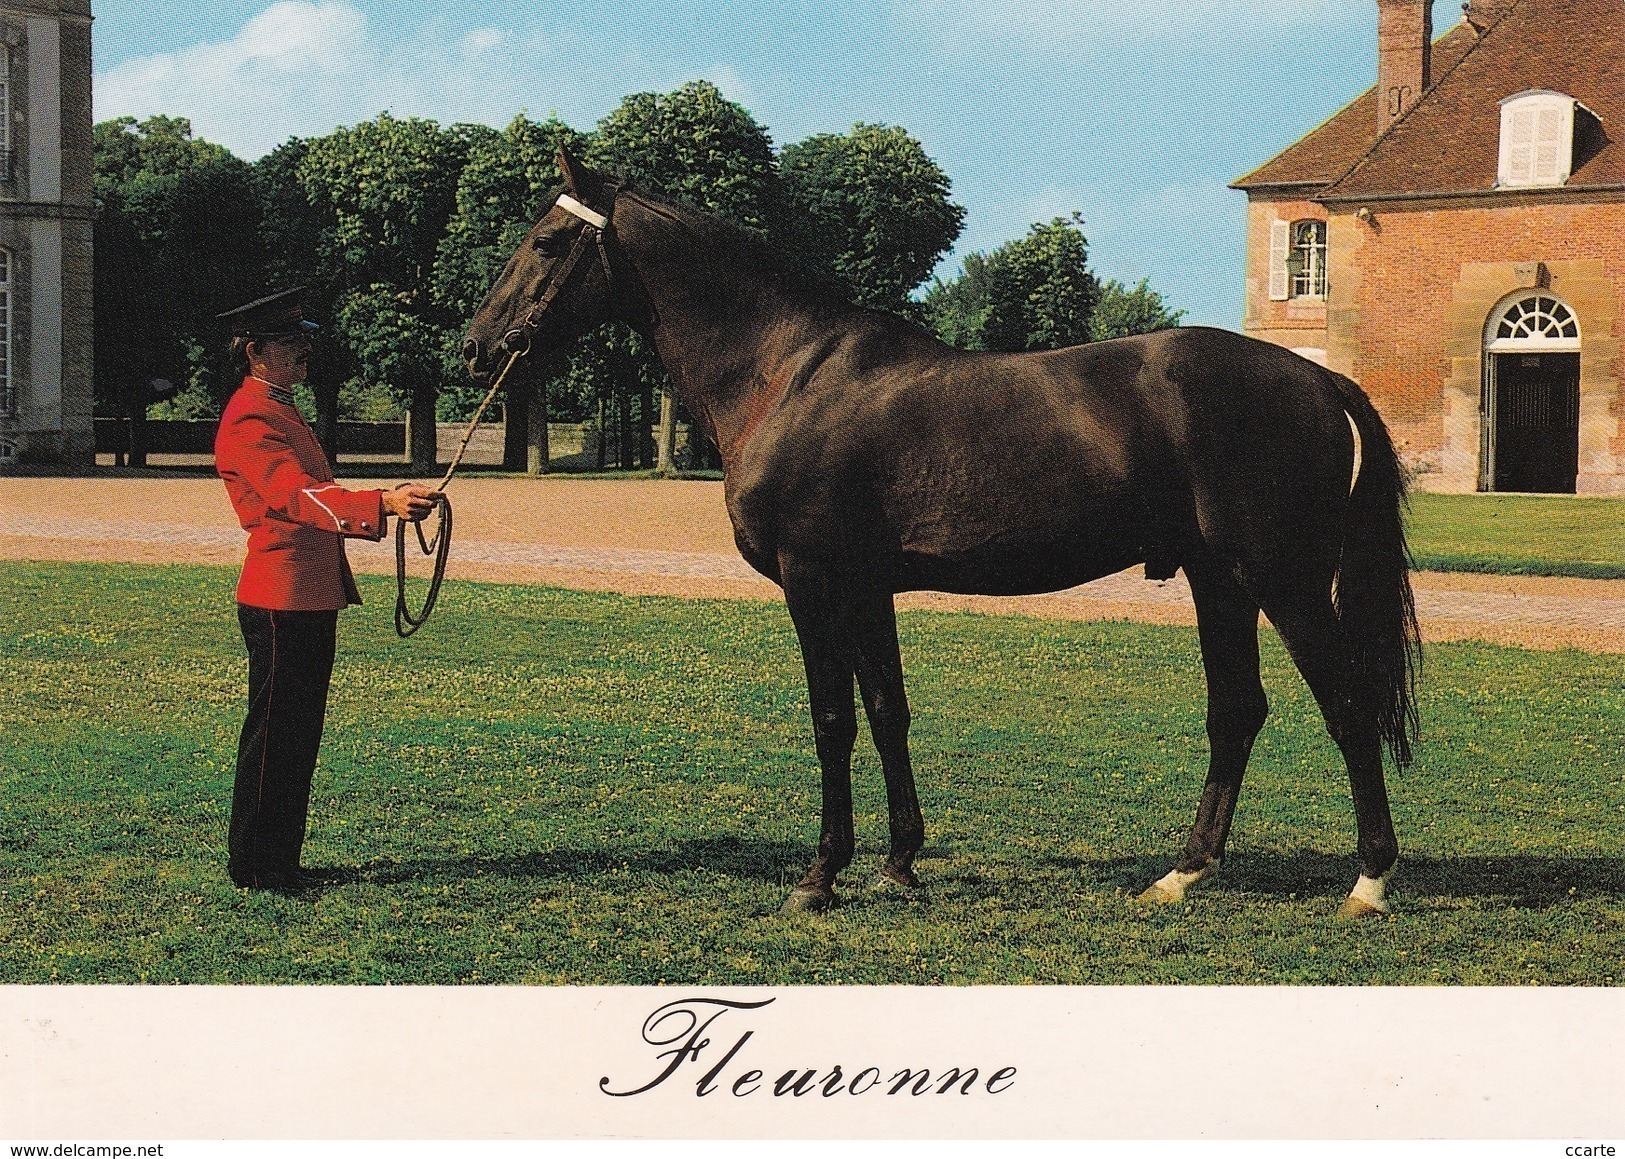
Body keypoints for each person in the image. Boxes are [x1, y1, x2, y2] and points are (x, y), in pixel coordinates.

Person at [213, 288, 440, 891]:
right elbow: (296, 497)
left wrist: (385, 500)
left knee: (297, 732)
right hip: (280, 593)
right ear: (256, 352)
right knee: (275, 735)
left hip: (306, 591)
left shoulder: (280, 407)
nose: (303, 353)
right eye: (291, 344)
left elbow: (313, 493)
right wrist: (383, 504)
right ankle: (258, 866)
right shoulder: (250, 416)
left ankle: (278, 859)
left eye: (304, 341)